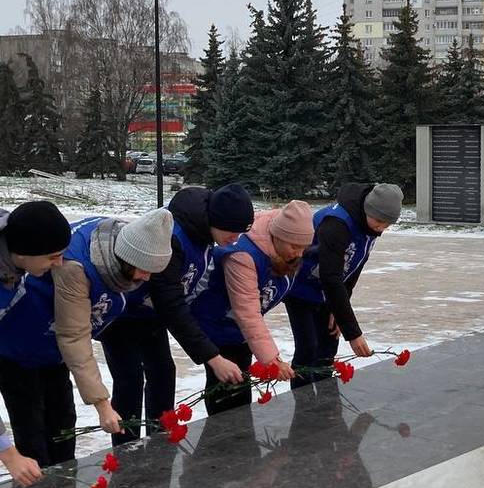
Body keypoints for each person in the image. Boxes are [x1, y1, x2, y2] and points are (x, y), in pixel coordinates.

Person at [0, 208, 174, 466]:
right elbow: (74, 335)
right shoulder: (73, 267)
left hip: (51, 353)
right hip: (16, 352)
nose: (57, 264)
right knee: (32, 435)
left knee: (61, 426)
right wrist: (9, 455)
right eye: (143, 271)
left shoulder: (115, 250)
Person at [101, 184, 254, 446]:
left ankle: (158, 441)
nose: (236, 238)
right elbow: (171, 303)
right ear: (216, 220)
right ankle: (126, 452)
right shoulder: (173, 238)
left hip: (150, 317)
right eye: (233, 231)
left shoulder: (206, 234)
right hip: (123, 314)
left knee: (163, 372)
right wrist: (213, 357)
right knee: (130, 379)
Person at [190, 200, 313, 414]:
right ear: (279, 236)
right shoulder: (243, 256)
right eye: (295, 247)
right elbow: (247, 312)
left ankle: (241, 439)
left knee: (241, 386)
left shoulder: (286, 241)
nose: (300, 254)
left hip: (239, 329)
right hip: (216, 321)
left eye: (304, 247)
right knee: (227, 388)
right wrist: (272, 360)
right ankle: (222, 442)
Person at [285, 183, 403, 390]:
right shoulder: (336, 224)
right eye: (379, 221)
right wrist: (353, 332)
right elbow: (330, 276)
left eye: (387, 224)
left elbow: (354, 267)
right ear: (368, 210)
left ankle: (327, 405)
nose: (381, 228)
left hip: (329, 290)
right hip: (301, 287)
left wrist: (339, 310)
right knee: (308, 347)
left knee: (328, 346)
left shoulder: (369, 227)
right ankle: (303, 409)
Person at [0, 201, 71, 486]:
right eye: (52, 256)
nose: (59, 264)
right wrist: (8, 454)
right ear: (23, 252)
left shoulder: (13, 263)